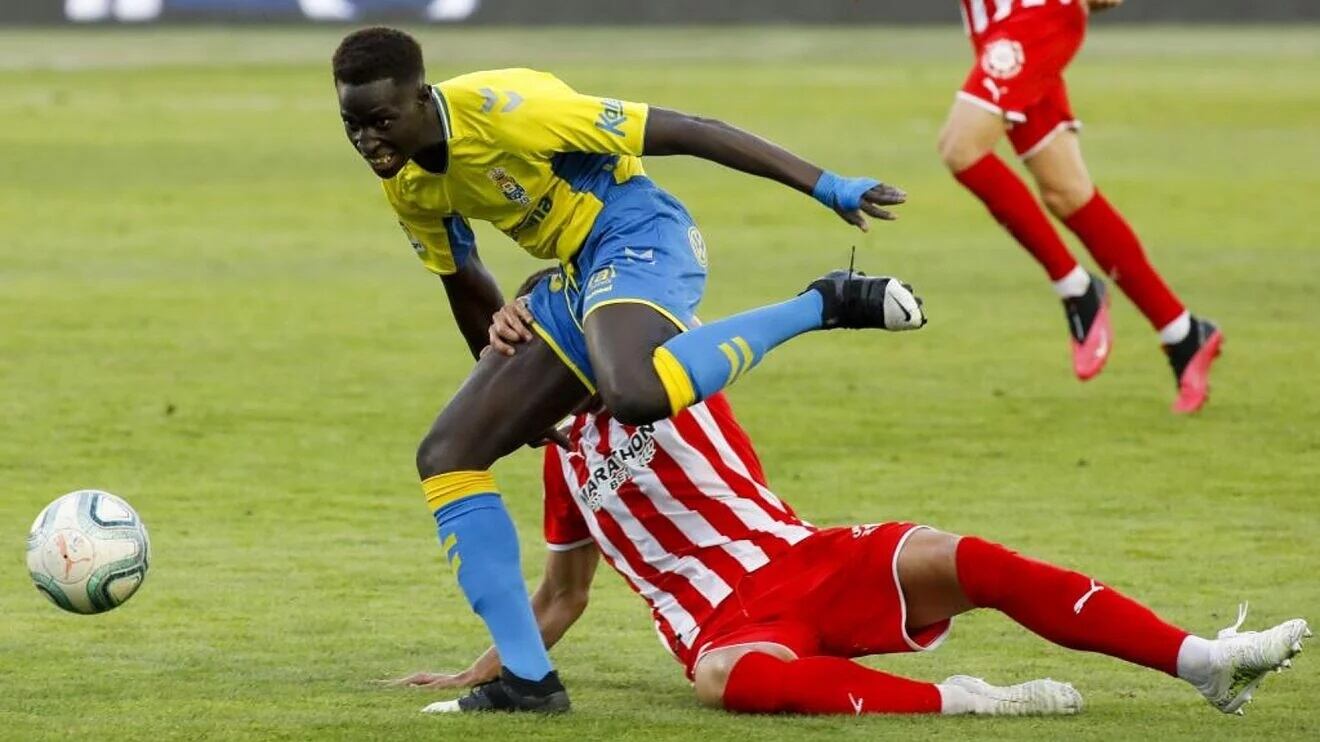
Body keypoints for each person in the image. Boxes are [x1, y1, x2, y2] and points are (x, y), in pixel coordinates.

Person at [333, 27, 926, 711]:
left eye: (381, 121)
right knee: (447, 454)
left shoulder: (511, 112)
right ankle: (527, 681)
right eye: (352, 123)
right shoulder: (406, 184)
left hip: (641, 232)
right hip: (571, 279)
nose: (368, 141)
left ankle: (821, 304)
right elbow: (462, 278)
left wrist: (826, 185)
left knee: (635, 391)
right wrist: (509, 381)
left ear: (421, 98)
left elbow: (688, 129)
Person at [393, 282, 1308, 716]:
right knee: (728, 682)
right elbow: (562, 597)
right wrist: (487, 670)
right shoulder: (561, 470)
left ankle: (1202, 661)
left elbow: (645, 300)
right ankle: (967, 700)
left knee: (964, 557)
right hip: (722, 623)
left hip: (808, 559)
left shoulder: (671, 371)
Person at [939, 0, 1222, 413]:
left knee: (960, 147)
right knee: (1066, 191)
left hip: (1034, 17)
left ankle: (1077, 288)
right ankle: (1183, 333)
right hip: (997, 27)